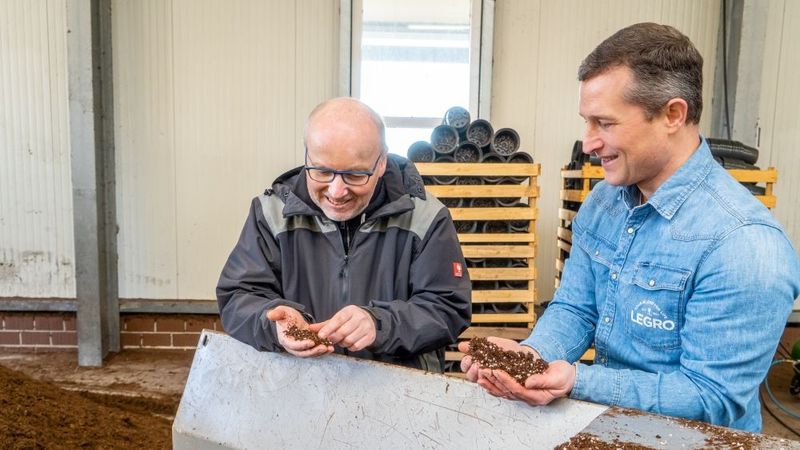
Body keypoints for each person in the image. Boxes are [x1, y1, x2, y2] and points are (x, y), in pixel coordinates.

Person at [460, 22, 800, 432]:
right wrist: (533, 356)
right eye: (587, 122)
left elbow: (712, 396)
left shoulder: (745, 245)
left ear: (673, 114)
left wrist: (578, 381)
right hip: (612, 427)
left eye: (604, 123)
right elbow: (576, 308)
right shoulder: (605, 201)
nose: (588, 143)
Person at [217, 97, 471, 371]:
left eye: (355, 175)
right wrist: (272, 324)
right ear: (307, 155)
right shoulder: (271, 214)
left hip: (398, 389)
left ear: (381, 162)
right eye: (322, 171)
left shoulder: (426, 218)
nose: (336, 191)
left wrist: (380, 324)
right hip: (298, 384)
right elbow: (238, 296)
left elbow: (448, 307)